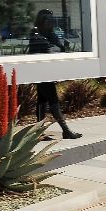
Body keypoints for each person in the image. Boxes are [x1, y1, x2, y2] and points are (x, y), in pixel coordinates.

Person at [27, 9, 82, 140]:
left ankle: (39, 131)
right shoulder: (36, 35)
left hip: (49, 71)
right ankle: (65, 130)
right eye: (47, 20)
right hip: (41, 71)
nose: (51, 22)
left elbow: (60, 48)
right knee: (53, 100)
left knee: (42, 100)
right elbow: (39, 51)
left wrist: (62, 47)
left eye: (51, 20)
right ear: (41, 22)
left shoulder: (51, 35)